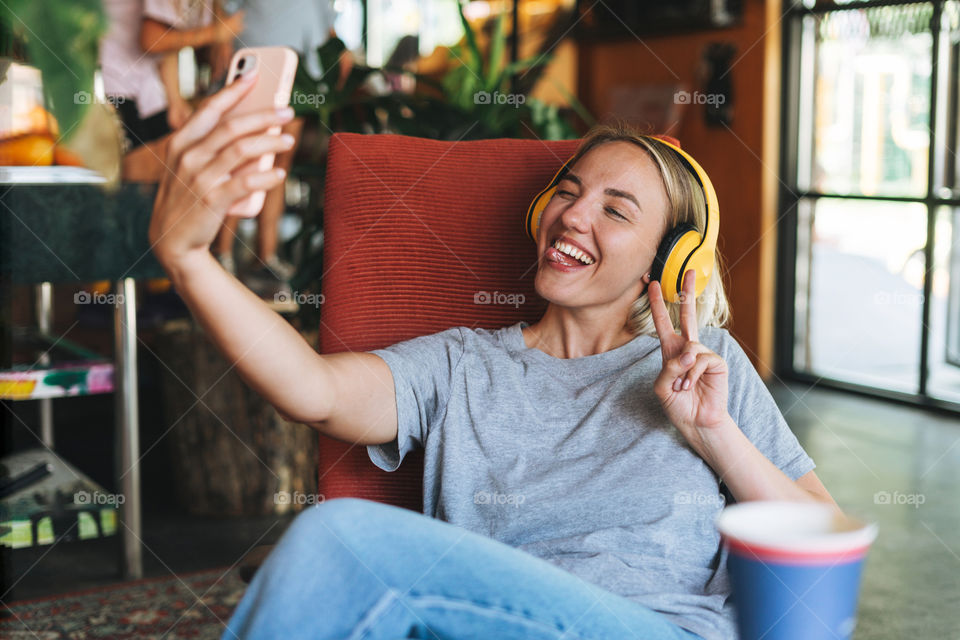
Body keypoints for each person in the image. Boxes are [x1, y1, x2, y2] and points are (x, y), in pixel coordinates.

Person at [148, 78, 841, 640]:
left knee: (341, 540)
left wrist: (715, 434)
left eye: (616, 211)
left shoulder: (703, 365)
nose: (573, 215)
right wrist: (189, 262)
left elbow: (826, 541)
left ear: (668, 260)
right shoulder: (462, 366)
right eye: (568, 192)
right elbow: (314, 391)